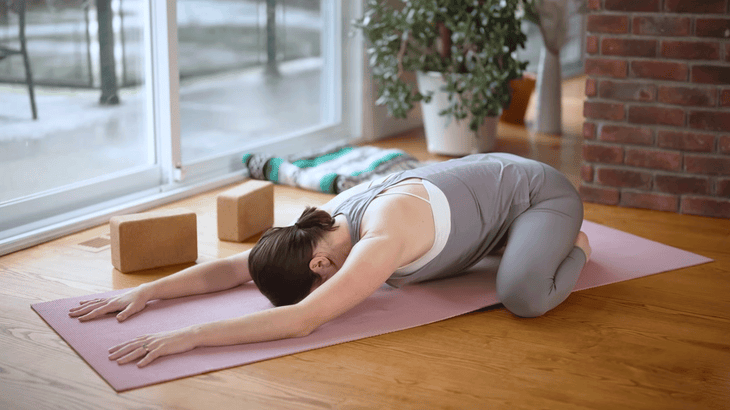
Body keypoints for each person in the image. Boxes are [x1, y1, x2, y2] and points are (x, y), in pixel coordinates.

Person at [69, 153, 591, 368]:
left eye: (316, 285)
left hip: (538, 193)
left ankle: (575, 246)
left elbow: (301, 321)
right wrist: (147, 291)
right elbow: (232, 268)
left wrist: (191, 335)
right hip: (483, 195)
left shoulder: (380, 237)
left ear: (319, 268)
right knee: (491, 263)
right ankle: (511, 242)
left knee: (522, 296)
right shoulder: (317, 226)